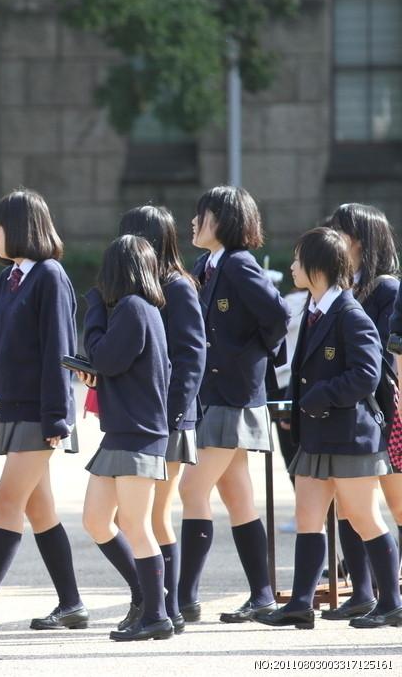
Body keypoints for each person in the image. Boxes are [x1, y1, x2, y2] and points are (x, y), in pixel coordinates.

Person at [256, 227, 402, 630]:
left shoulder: (350, 313)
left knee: (363, 517)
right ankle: (300, 604)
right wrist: (296, 405)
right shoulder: (315, 307)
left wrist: (318, 396)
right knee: (307, 516)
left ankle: (391, 602)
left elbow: (367, 375)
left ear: (318, 267)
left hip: (350, 437)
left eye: (299, 260)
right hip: (317, 435)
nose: (291, 267)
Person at [0, 189, 86, 632]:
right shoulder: (8, 279)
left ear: (19, 228)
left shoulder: (50, 276)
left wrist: (57, 417)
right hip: (12, 411)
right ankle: (72, 604)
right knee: (39, 509)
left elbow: (60, 350)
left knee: (6, 500)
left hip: (40, 413)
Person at [177, 186, 290, 624]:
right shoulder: (206, 264)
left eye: (201, 215)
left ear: (222, 222)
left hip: (235, 396)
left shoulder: (240, 264)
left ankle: (184, 598)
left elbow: (277, 317)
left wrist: (248, 359)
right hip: (216, 395)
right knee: (236, 495)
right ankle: (261, 595)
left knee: (192, 489)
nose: (193, 222)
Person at [80, 235, 174, 642]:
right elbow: (114, 365)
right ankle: (144, 596)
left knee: (136, 524)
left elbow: (104, 356)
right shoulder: (140, 310)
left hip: (137, 433)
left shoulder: (134, 308)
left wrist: (95, 310)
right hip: (123, 431)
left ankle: (156, 614)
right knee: (96, 521)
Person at [117, 206, 206, 633]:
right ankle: (163, 605)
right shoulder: (146, 289)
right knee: (145, 517)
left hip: (170, 420)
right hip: (148, 416)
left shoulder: (177, 286)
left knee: (153, 516)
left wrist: (172, 414)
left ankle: (166, 608)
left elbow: (192, 357)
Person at [322, 203, 402, 620]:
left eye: (339, 230)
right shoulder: (347, 289)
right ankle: (362, 590)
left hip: (386, 413)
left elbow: (388, 361)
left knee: (393, 503)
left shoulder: (386, 289)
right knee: (351, 504)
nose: (331, 236)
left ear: (361, 239)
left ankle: (389, 594)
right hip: (353, 413)